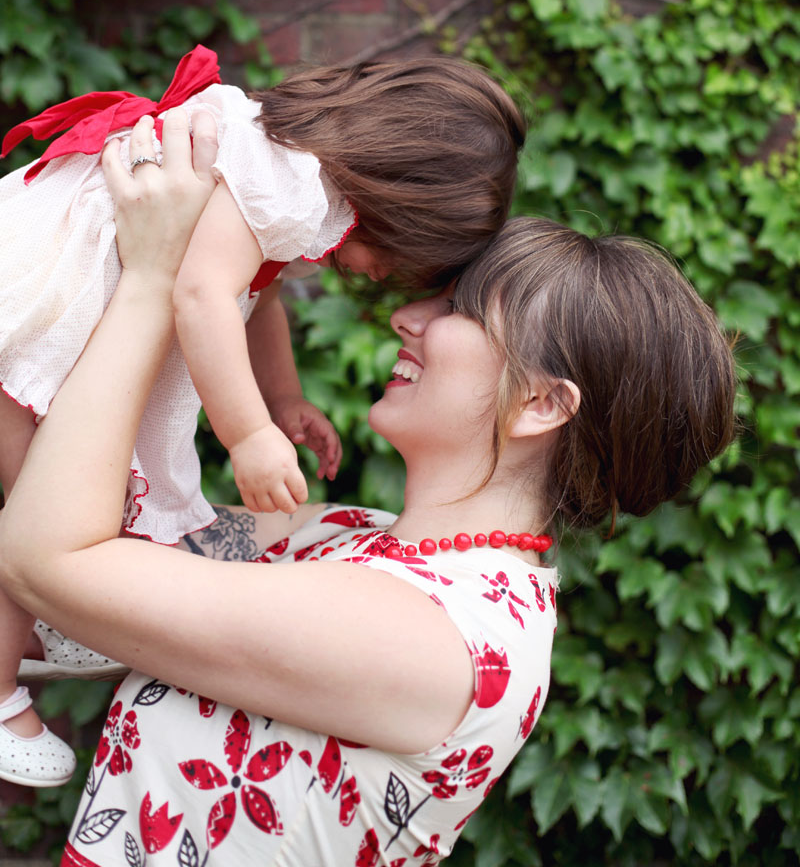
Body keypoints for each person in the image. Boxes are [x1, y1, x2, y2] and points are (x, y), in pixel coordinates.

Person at [0, 111, 736, 864]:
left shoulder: (444, 641)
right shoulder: (345, 537)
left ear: (542, 404)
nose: (406, 317)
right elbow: (71, 527)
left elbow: (46, 557)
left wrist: (155, 277)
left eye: (459, 311)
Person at [0, 48, 525, 786]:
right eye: (404, 261)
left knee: (62, 496)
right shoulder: (295, 187)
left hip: (56, 283)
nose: (387, 281)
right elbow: (204, 297)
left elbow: (257, 296)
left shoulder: (287, 161)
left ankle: (55, 615)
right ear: (404, 201)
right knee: (41, 509)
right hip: (39, 297)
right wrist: (247, 434)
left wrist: (283, 401)